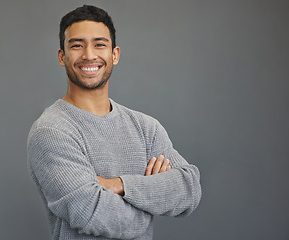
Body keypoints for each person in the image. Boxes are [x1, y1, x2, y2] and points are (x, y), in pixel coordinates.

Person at [27, 5, 201, 240]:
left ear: (115, 54)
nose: (89, 55)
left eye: (99, 44)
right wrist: (151, 201)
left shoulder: (145, 127)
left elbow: (189, 190)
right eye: (77, 45)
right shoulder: (52, 131)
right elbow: (94, 213)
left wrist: (120, 185)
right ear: (62, 56)